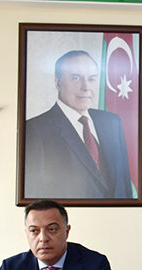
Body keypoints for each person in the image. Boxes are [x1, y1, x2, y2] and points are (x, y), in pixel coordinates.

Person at [25, 50, 133, 199]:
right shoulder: (35, 130)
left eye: (92, 79)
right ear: (58, 82)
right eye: (76, 78)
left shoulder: (112, 122)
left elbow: (125, 186)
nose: (86, 87)